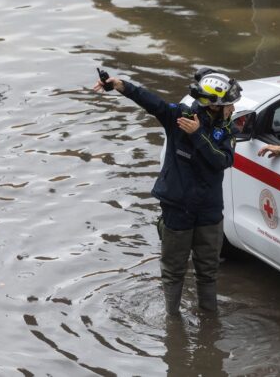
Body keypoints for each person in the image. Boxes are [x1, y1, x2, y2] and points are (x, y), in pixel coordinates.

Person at [93, 68, 242, 315]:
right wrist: (121, 85)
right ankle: (172, 323)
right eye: (229, 105)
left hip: (209, 209)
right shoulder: (178, 117)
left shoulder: (226, 130)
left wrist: (198, 136)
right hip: (177, 207)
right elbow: (152, 102)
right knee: (173, 271)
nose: (233, 109)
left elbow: (222, 161)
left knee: (208, 270)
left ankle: (209, 320)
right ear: (214, 106)